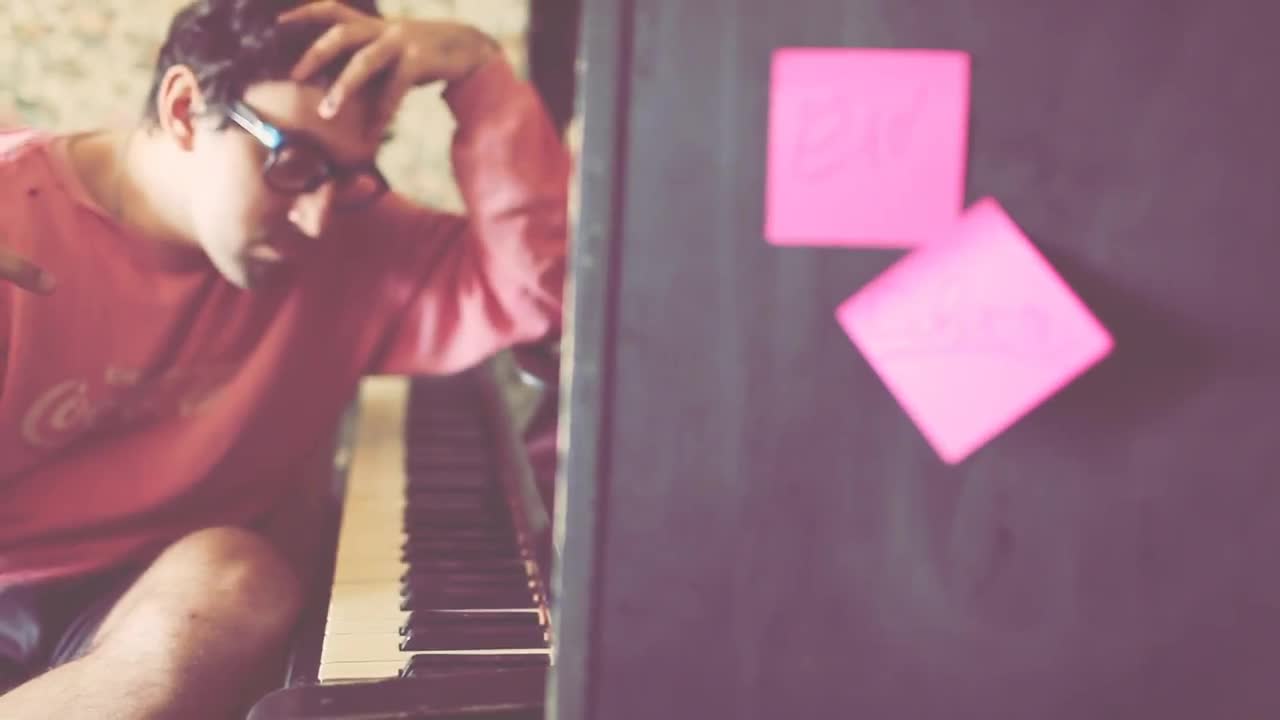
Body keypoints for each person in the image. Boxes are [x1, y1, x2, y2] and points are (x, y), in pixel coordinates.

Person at [0, 0, 568, 715]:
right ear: (184, 109)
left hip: (146, 600)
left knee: (240, 580)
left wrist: (481, 76)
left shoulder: (351, 241)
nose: (316, 215)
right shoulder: (15, 221)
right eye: (293, 161)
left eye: (348, 174)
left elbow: (545, 293)